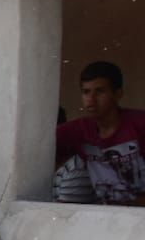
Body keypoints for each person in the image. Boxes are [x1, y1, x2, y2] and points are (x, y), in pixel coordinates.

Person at [53, 61, 145, 206]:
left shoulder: (139, 124)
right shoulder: (78, 130)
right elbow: (38, 149)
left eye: (100, 91)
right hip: (105, 215)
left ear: (118, 94)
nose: (91, 99)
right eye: (86, 92)